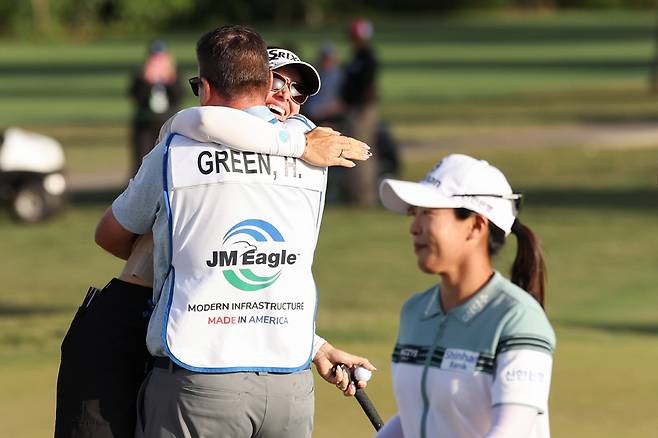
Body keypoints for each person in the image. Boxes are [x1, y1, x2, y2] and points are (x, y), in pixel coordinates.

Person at [94, 26, 374, 438]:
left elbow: (109, 234)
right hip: (290, 382)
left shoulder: (178, 146)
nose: (288, 99)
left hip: (197, 373)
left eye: (297, 92)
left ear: (205, 86)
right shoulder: (317, 149)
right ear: (264, 87)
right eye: (280, 85)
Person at [375, 154, 556, 438]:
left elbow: (510, 432)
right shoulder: (415, 312)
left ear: (475, 225)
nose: (414, 227)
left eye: (429, 213)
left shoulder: (518, 318)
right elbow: (423, 412)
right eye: (414, 213)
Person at [340, 18, 380, 206]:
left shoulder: (367, 57)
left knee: (362, 151)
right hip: (353, 108)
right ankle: (355, 194)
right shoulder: (356, 56)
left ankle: (365, 197)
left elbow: (368, 87)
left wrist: (362, 108)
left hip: (362, 110)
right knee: (355, 150)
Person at [128, 40, 183, 175]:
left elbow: (179, 96)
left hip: (166, 122)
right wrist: (146, 80)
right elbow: (136, 96)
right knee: (142, 160)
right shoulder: (141, 76)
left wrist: (170, 78)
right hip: (145, 125)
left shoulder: (173, 75)